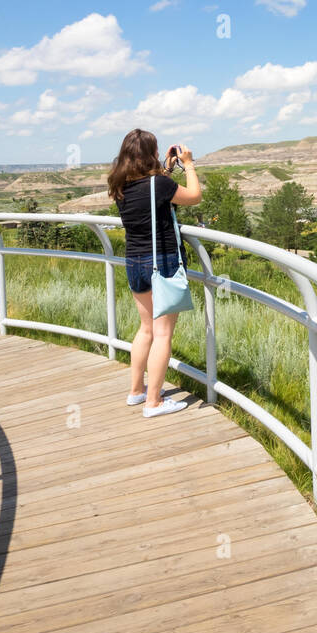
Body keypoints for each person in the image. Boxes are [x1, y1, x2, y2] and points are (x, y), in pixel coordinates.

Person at [106, 128, 202, 418]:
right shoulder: (158, 184)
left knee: (145, 329)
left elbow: (153, 195)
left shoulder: (120, 186)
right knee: (163, 334)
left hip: (134, 262)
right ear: (151, 154)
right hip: (162, 261)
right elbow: (194, 196)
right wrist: (189, 164)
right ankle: (154, 402)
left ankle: (136, 391)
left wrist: (166, 171)